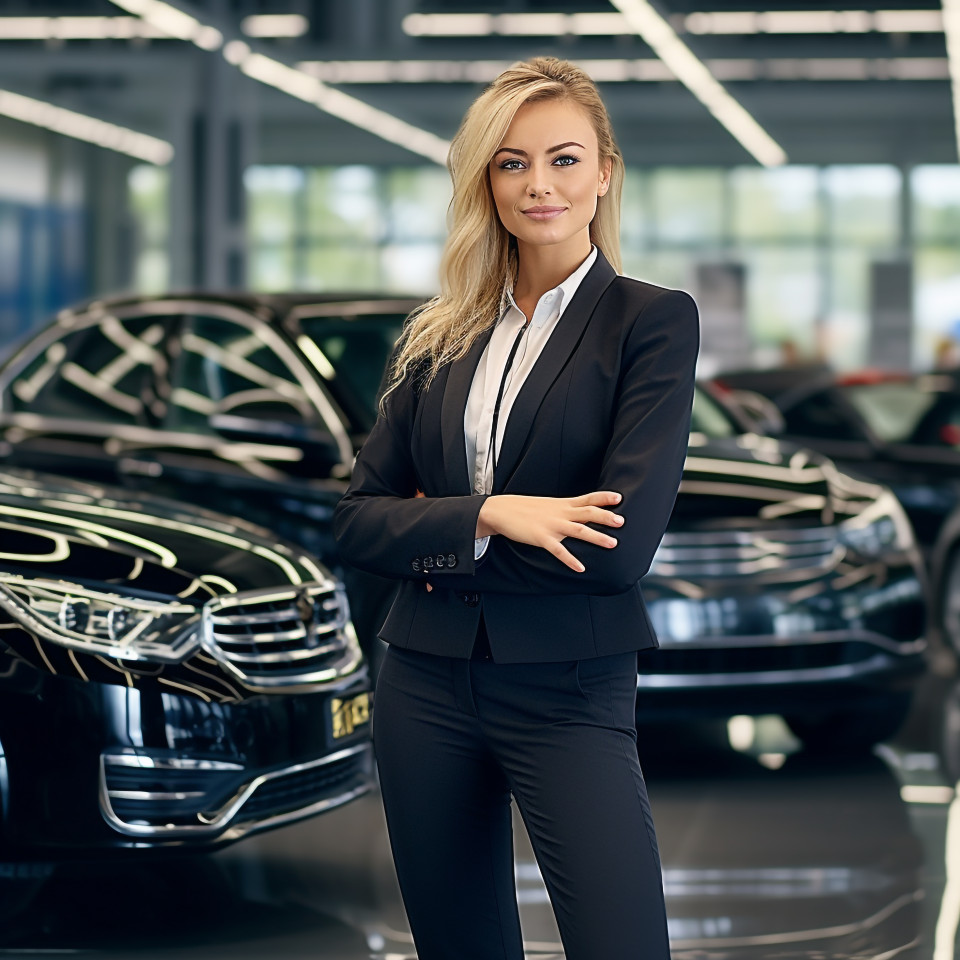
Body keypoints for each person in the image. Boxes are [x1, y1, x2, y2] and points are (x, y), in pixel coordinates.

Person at [333, 56, 698, 960]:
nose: (539, 184)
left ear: (605, 172)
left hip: (569, 684)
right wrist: (492, 516)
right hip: (421, 680)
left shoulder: (651, 323)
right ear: (484, 180)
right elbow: (354, 522)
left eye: (564, 159)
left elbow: (614, 553)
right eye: (511, 162)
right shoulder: (438, 334)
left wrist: (434, 525)